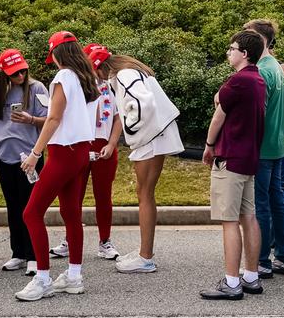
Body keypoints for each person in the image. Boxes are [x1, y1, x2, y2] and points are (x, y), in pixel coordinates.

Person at [15, 31, 100, 301]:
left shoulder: (63, 76)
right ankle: (74, 276)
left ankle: (42, 278)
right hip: (81, 150)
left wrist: (34, 153)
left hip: (64, 152)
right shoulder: (84, 77)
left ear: (56, 54)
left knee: (31, 213)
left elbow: (54, 118)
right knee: (71, 213)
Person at [98, 49, 183, 274]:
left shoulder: (123, 74)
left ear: (100, 67)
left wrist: (132, 127)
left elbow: (143, 102)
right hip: (156, 134)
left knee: (145, 193)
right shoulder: (130, 71)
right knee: (144, 192)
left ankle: (145, 257)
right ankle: (145, 252)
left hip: (151, 137)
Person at [0, 48, 48, 276]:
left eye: (22, 71)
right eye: (14, 73)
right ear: (3, 73)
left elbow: (50, 119)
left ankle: (34, 255)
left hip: (29, 157)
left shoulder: (36, 88)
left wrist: (30, 119)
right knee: (13, 206)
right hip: (3, 155)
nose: (20, 76)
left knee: (30, 207)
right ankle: (19, 253)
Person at [200, 30, 266, 300]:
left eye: (232, 48)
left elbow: (219, 114)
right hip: (249, 157)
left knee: (229, 221)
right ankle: (251, 276)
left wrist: (209, 144)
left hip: (230, 157)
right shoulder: (258, 80)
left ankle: (231, 281)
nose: (228, 52)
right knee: (249, 217)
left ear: (245, 53)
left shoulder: (238, 81)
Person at [58, 44, 122, 263]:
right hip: (82, 144)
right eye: (105, 67)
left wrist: (112, 144)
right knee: (73, 195)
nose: (109, 71)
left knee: (103, 195)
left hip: (105, 145)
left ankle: (105, 241)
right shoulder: (80, 85)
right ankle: (70, 239)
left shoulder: (112, 87)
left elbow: (117, 117)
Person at [243, 20, 284, 278]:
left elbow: (256, 112)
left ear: (260, 39)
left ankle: (261, 259)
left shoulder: (262, 70)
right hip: (277, 143)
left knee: (260, 204)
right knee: (276, 201)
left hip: (263, 146)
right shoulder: (275, 66)